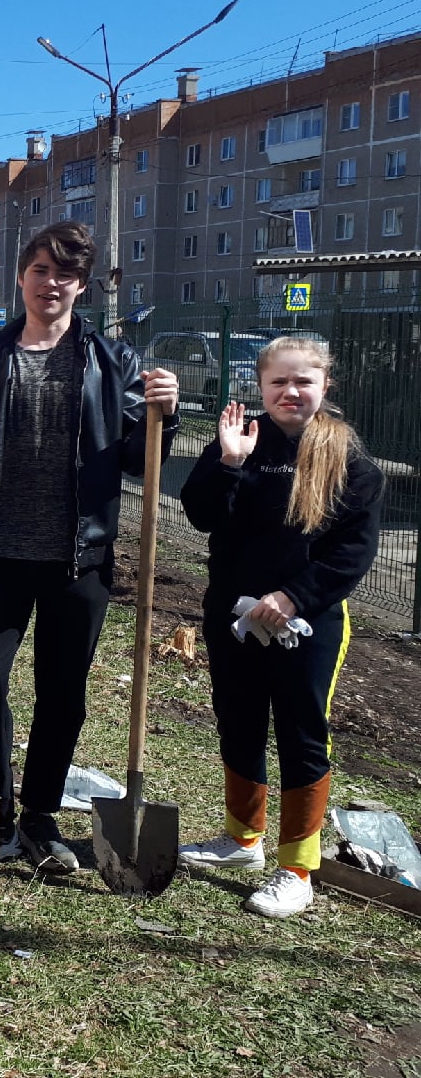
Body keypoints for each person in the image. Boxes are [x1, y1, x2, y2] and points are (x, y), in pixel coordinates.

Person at [0, 221, 180, 872]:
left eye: (65, 274)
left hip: (78, 556)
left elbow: (133, 459)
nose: (51, 284)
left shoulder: (110, 360)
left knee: (62, 692)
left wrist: (163, 417)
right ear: (22, 276)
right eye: (40, 270)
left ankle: (38, 816)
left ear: (82, 286)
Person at [177, 338, 382, 918]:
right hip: (234, 615)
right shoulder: (241, 441)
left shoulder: (352, 464)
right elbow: (201, 514)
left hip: (307, 624)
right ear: (262, 388)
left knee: (300, 731)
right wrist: (230, 464)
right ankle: (242, 840)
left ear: (325, 386)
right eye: (278, 383)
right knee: (237, 717)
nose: (291, 393)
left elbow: (350, 554)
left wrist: (292, 597)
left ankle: (297, 868)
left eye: (304, 382)